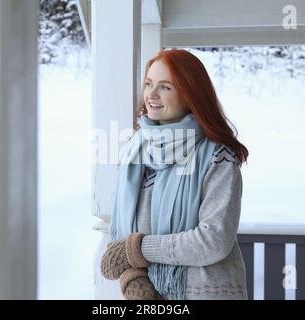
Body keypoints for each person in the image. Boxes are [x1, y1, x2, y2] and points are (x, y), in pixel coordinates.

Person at [100, 49, 249, 300]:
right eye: (148, 84)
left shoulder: (218, 156)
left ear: (191, 94)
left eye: (165, 87)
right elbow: (122, 238)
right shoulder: (135, 151)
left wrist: (137, 249)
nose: (152, 95)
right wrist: (133, 281)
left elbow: (213, 240)